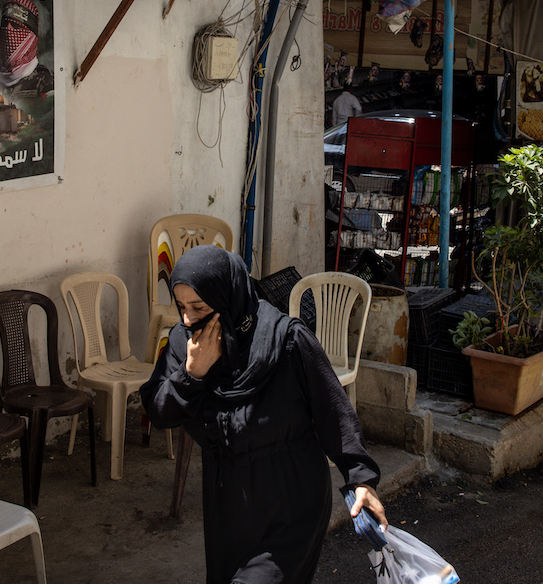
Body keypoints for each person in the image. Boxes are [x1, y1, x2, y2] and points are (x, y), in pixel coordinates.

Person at [139, 246, 387, 584]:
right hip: (228, 505)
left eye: (199, 307)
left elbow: (332, 410)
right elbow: (159, 410)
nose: (187, 319)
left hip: (291, 497)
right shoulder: (186, 346)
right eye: (181, 307)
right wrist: (192, 374)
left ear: (229, 296)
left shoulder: (286, 340)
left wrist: (361, 478)